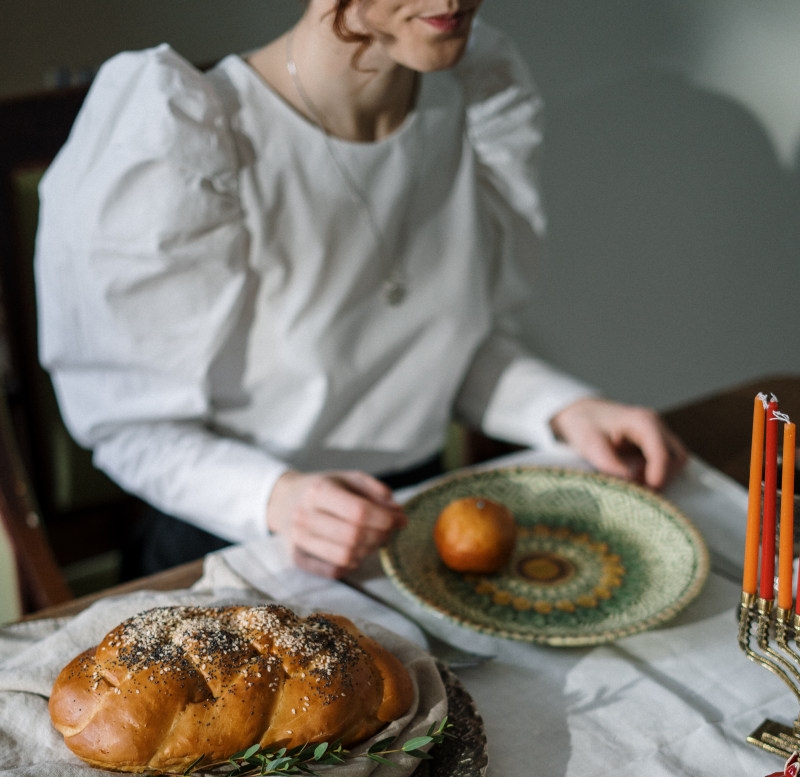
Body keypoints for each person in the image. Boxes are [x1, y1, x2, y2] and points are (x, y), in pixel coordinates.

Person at [35, 0, 686, 579]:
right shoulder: (186, 140)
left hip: (420, 523)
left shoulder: (473, 98)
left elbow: (444, 353)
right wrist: (282, 499)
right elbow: (129, 427)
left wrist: (564, 408)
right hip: (236, 540)